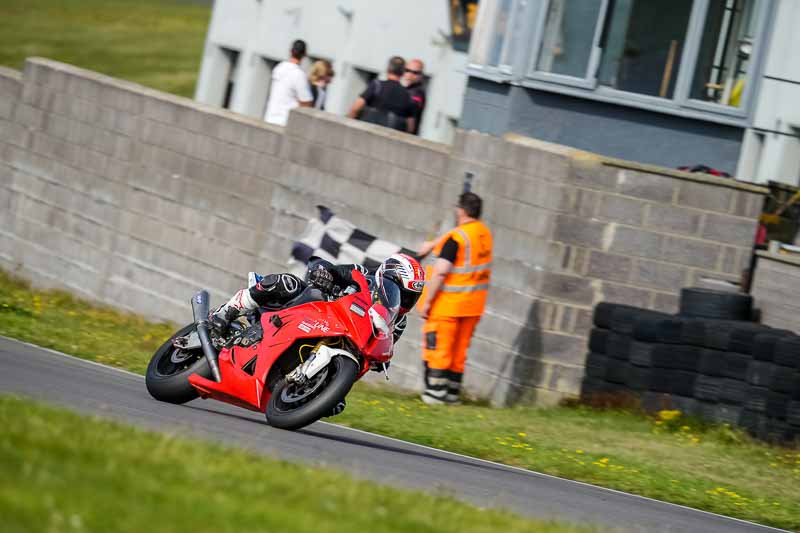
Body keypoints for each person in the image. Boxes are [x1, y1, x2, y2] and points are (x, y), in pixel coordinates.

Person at [210, 253, 425, 348]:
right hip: (311, 311)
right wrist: (323, 273)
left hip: (336, 336)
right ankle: (226, 311)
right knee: (287, 282)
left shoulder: (397, 323)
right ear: (385, 276)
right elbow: (322, 265)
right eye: (402, 293)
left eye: (411, 297)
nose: (405, 300)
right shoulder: (362, 275)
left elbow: (377, 349)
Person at [416, 192, 493, 405]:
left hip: (447, 305)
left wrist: (428, 302)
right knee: (459, 353)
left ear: (461, 210)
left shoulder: (456, 238)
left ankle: (434, 395)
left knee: (438, 349)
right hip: (472, 306)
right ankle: (451, 395)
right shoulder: (483, 233)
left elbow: (441, 272)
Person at [347, 56, 416, 133]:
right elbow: (410, 127)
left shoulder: (376, 85)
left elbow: (355, 108)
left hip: (368, 133)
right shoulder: (407, 95)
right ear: (403, 72)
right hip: (390, 139)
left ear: (388, 69)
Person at [263, 39, 313, 126]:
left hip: (269, 118)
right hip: (285, 122)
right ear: (304, 55)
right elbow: (306, 102)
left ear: (290, 51)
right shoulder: (299, 74)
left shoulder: (279, 68)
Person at [402, 59, 426, 136]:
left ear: (421, 75)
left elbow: (410, 119)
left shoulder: (417, 93)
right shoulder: (407, 90)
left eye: (415, 73)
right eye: (407, 70)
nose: (410, 75)